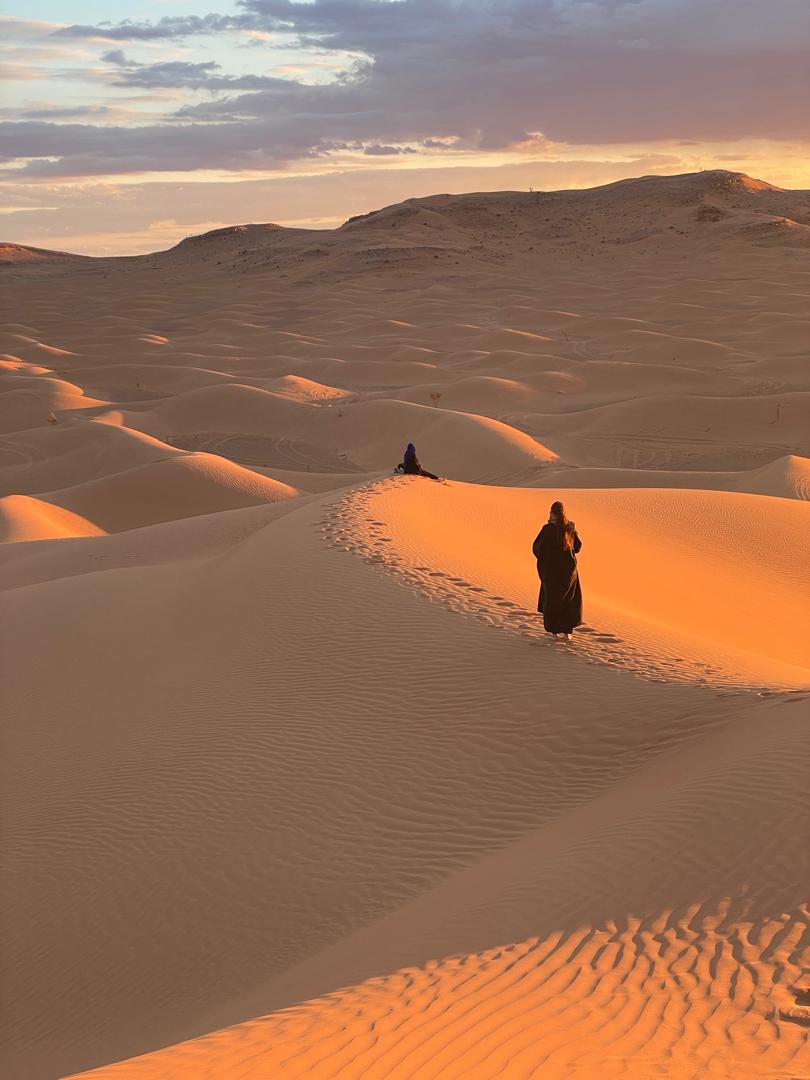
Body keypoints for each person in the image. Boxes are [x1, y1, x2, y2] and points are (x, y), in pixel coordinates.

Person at [532, 501, 583, 641]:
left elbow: (537, 548)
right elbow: (577, 548)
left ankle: (554, 633)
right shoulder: (569, 528)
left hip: (551, 573)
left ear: (552, 513)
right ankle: (567, 633)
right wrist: (574, 531)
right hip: (568, 573)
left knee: (552, 600)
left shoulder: (547, 529)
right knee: (568, 600)